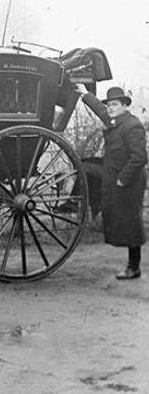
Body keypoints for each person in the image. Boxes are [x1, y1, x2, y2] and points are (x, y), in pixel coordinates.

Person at [75, 83, 147, 279]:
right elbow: (100, 110)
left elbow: (140, 157)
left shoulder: (132, 125)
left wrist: (124, 179)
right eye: (110, 105)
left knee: (132, 222)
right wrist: (85, 93)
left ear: (124, 106)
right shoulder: (115, 121)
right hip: (114, 176)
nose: (111, 108)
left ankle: (134, 267)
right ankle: (75, 201)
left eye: (115, 104)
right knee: (84, 165)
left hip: (129, 181)